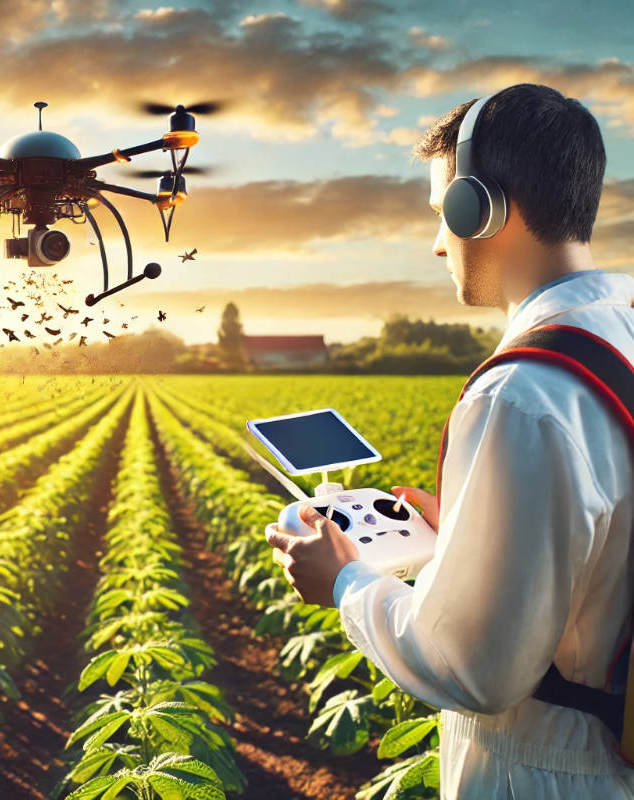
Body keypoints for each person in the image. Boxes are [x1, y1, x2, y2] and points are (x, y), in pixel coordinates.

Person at [266, 83, 634, 798]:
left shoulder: (522, 395)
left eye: (443, 213)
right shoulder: (619, 332)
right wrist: (474, 536)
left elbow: (476, 667)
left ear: (483, 207)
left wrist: (342, 581)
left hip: (545, 771)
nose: (439, 242)